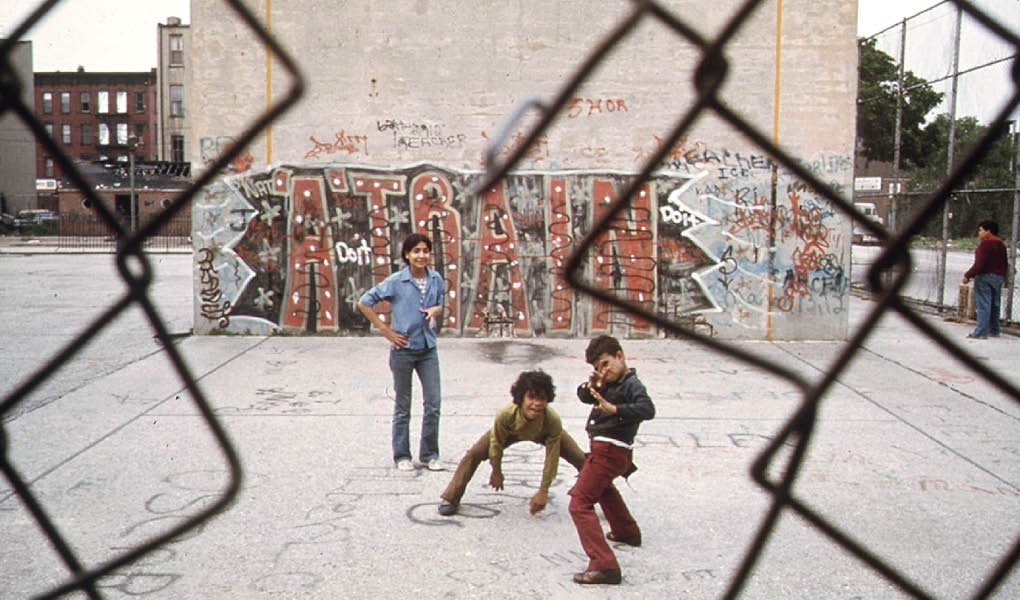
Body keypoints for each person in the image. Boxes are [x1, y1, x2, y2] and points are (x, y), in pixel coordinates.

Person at [437, 369, 586, 517]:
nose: (536, 404)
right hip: (510, 433)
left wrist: (543, 491)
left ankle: (604, 499)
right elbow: (496, 444)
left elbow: (552, 458)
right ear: (521, 399)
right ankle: (451, 498)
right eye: (531, 398)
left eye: (542, 399)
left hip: (543, 433)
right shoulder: (505, 414)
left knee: (581, 459)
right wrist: (496, 471)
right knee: (473, 454)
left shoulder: (552, 419)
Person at [568, 335, 655, 586]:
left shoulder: (631, 383)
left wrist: (616, 410)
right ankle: (627, 532)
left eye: (606, 364)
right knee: (603, 488)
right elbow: (584, 396)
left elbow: (648, 409)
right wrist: (591, 385)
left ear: (620, 356)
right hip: (608, 452)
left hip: (610, 450)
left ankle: (604, 565)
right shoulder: (608, 382)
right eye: (597, 368)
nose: (603, 371)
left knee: (579, 503)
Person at [358, 233, 445, 471]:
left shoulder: (436, 278)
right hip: (403, 350)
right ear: (407, 255)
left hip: (428, 349)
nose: (421, 255)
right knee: (403, 405)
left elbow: (439, 303)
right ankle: (402, 455)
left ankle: (429, 454)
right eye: (416, 251)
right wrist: (386, 331)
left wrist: (436, 310)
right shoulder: (397, 281)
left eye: (425, 251)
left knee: (434, 403)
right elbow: (364, 302)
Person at [962, 220, 1008, 339]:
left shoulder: (985, 244)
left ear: (988, 231)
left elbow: (979, 264)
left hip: (985, 277)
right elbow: (1004, 263)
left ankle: (981, 332)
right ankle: (994, 330)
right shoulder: (1001, 244)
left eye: (981, 230)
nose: (979, 233)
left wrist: (968, 275)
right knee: (995, 304)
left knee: (983, 304)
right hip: (998, 277)